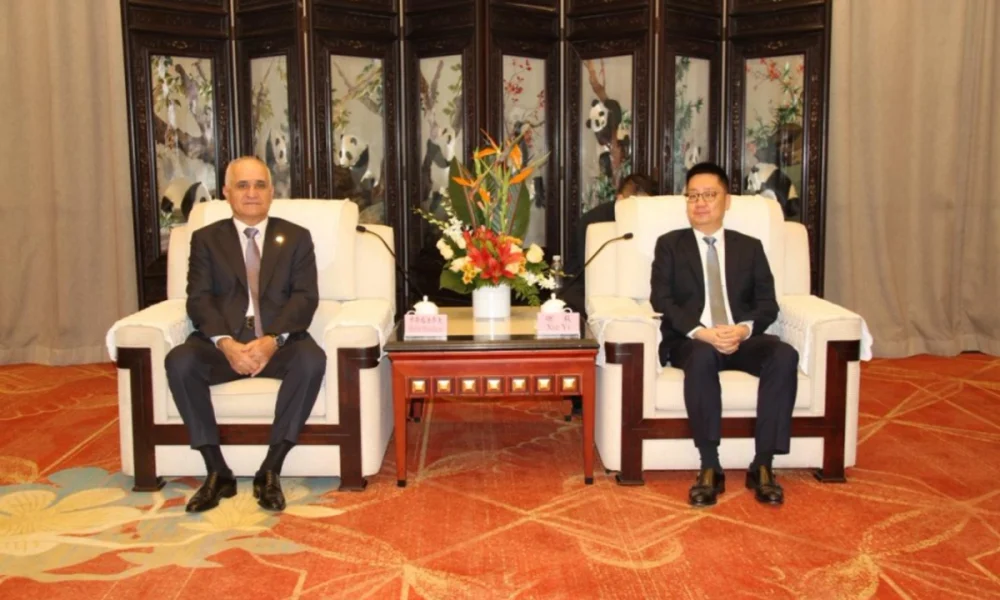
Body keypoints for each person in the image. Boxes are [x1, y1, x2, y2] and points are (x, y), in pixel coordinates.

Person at [165, 156, 326, 513]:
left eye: (259, 185)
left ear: (271, 192)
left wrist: (273, 341)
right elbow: (199, 298)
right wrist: (225, 343)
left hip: (278, 343)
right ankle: (217, 471)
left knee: (312, 360)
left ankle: (270, 468)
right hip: (224, 345)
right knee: (180, 361)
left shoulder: (296, 237)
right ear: (226, 193)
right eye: (242, 186)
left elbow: (305, 298)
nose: (252, 193)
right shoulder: (206, 239)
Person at [649, 162, 798, 508]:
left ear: (727, 200)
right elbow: (662, 300)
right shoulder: (670, 245)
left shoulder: (750, 247)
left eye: (709, 195)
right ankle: (710, 465)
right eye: (693, 196)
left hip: (740, 338)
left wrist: (744, 329)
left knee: (783, 355)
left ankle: (763, 464)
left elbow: (768, 304)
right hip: (692, 341)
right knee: (702, 357)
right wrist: (700, 332)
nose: (700, 203)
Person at [563, 173, 658, 315]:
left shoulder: (653, 218)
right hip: (586, 283)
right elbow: (592, 269)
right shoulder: (594, 221)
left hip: (635, 285)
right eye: (635, 206)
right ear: (619, 199)